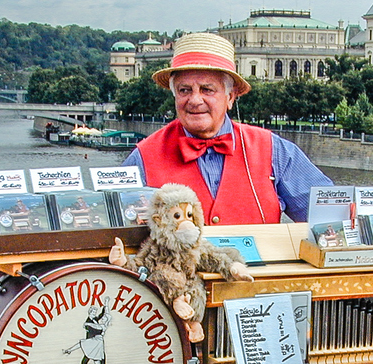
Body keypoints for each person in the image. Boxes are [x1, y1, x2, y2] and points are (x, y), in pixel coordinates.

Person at [123, 32, 332, 225]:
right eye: (185, 90)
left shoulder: (274, 151)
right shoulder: (143, 157)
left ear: (230, 97)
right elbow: (110, 225)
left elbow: (329, 217)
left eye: (207, 89)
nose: (195, 100)